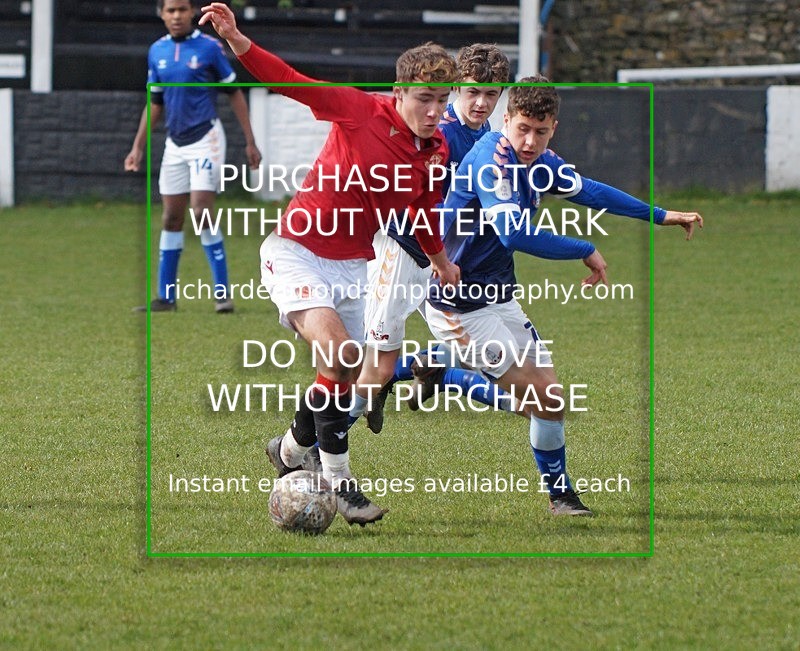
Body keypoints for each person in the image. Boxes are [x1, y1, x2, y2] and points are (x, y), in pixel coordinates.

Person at [199, 2, 460, 525]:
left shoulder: (437, 152)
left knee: (342, 372)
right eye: (425, 99)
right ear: (400, 92)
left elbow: (418, 212)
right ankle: (342, 487)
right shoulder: (359, 110)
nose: (434, 111)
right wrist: (236, 39)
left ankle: (291, 452)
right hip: (296, 252)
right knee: (340, 354)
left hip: (353, 268)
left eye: (442, 101)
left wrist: (441, 262)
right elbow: (290, 80)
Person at [422, 76, 703, 516]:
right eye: (522, 129)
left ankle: (445, 376)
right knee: (541, 401)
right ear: (507, 120)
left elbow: (589, 190)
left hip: (498, 296)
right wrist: (584, 248)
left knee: (547, 402)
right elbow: (512, 233)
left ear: (554, 127)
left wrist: (661, 215)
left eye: (541, 130)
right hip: (455, 303)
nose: (530, 141)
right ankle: (437, 373)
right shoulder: (489, 162)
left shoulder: (540, 161)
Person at [347, 43, 511, 434]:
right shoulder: (440, 135)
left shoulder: (483, 132)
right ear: (456, 89)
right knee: (375, 367)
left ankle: (429, 369)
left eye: (492, 94)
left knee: (475, 353)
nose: (481, 104)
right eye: (473, 92)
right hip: (402, 251)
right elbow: (404, 199)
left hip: (442, 261)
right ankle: (308, 445)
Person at [125, 0, 261, 313]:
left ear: (193, 13)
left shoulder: (211, 47)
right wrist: (138, 146)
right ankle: (166, 298)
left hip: (206, 138)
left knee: (201, 211)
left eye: (183, 9)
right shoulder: (156, 51)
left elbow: (234, 92)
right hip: (175, 144)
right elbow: (155, 102)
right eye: (170, 10)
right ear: (161, 14)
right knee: (171, 217)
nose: (177, 15)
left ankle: (223, 295)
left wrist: (250, 141)